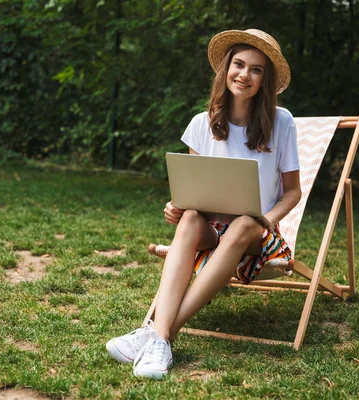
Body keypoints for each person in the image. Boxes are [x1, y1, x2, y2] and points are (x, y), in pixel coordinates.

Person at [106, 29, 301, 379]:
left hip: (257, 234)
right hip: (211, 228)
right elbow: (195, 189)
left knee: (243, 222)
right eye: (238, 64)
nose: (244, 74)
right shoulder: (203, 123)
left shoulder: (281, 122)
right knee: (192, 216)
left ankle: (157, 334)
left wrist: (267, 220)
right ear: (226, 69)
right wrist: (177, 206)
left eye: (256, 69)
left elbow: (292, 193)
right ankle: (160, 341)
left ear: (265, 79)